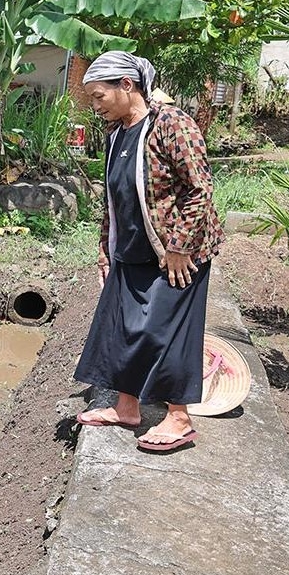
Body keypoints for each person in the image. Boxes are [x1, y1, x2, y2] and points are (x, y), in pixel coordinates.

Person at [72, 51, 224, 452]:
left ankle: (178, 419)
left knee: (165, 332)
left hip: (176, 255)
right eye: (92, 98)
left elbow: (199, 188)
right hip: (132, 249)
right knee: (120, 326)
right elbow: (114, 198)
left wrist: (179, 248)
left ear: (128, 85)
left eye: (99, 95)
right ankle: (127, 408)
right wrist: (106, 249)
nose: (96, 104)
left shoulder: (171, 125)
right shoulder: (116, 134)